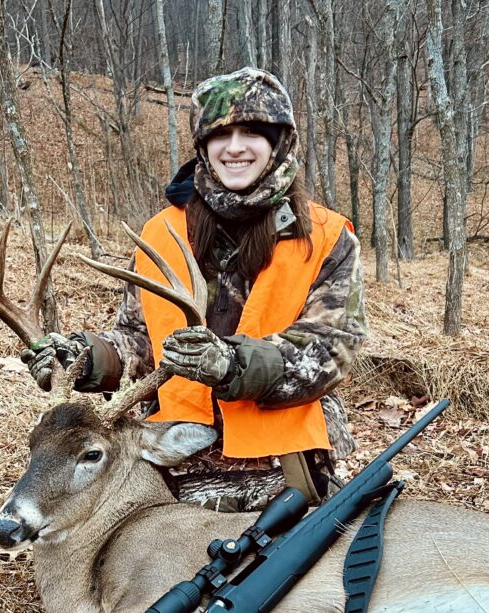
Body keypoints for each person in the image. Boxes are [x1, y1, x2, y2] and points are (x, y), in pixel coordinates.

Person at [22, 67, 366, 511]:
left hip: (282, 463)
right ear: (202, 146)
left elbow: (330, 353)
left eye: (253, 132)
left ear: (280, 142)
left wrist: (231, 365)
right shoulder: (163, 232)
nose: (236, 147)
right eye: (221, 134)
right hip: (172, 457)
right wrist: (85, 359)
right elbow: (140, 339)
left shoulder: (326, 236)